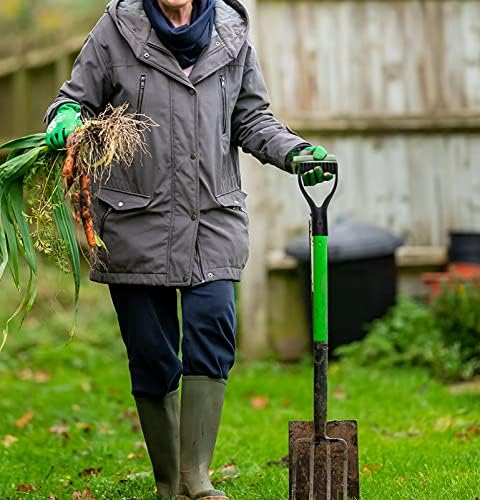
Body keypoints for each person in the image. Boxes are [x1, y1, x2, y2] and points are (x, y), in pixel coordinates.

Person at [45, 0, 333, 498]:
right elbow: (73, 100)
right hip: (136, 219)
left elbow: (250, 118)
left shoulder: (231, 32)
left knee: (212, 330)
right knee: (152, 354)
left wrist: (292, 150)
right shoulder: (116, 29)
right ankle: (166, 481)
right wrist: (68, 118)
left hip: (211, 216)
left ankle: (195, 477)